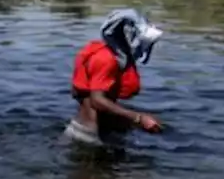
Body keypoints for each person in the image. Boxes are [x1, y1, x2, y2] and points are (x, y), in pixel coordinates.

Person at [66, 9, 164, 146]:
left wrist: (129, 123)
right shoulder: (106, 59)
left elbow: (80, 93)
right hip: (88, 136)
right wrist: (138, 118)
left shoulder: (114, 56)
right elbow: (97, 100)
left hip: (102, 131)